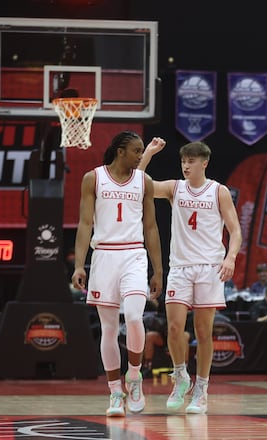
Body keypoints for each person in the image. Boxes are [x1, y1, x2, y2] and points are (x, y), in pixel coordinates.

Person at [138, 139, 242, 414]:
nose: (186, 165)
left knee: (203, 332)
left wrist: (230, 257)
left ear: (204, 162)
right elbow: (140, 183)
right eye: (184, 161)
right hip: (181, 268)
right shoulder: (175, 188)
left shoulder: (218, 191)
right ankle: (180, 375)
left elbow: (235, 230)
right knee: (173, 329)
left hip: (209, 267)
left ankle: (202, 388)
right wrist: (148, 153)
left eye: (192, 161)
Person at [71, 130, 164, 417]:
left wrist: (158, 269)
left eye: (141, 151)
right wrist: (78, 264)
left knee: (135, 316)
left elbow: (151, 227)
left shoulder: (143, 181)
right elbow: (85, 224)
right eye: (136, 151)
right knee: (109, 329)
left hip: (134, 255)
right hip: (104, 257)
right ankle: (114, 393)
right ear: (120, 151)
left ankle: (134, 375)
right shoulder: (93, 178)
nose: (140, 156)